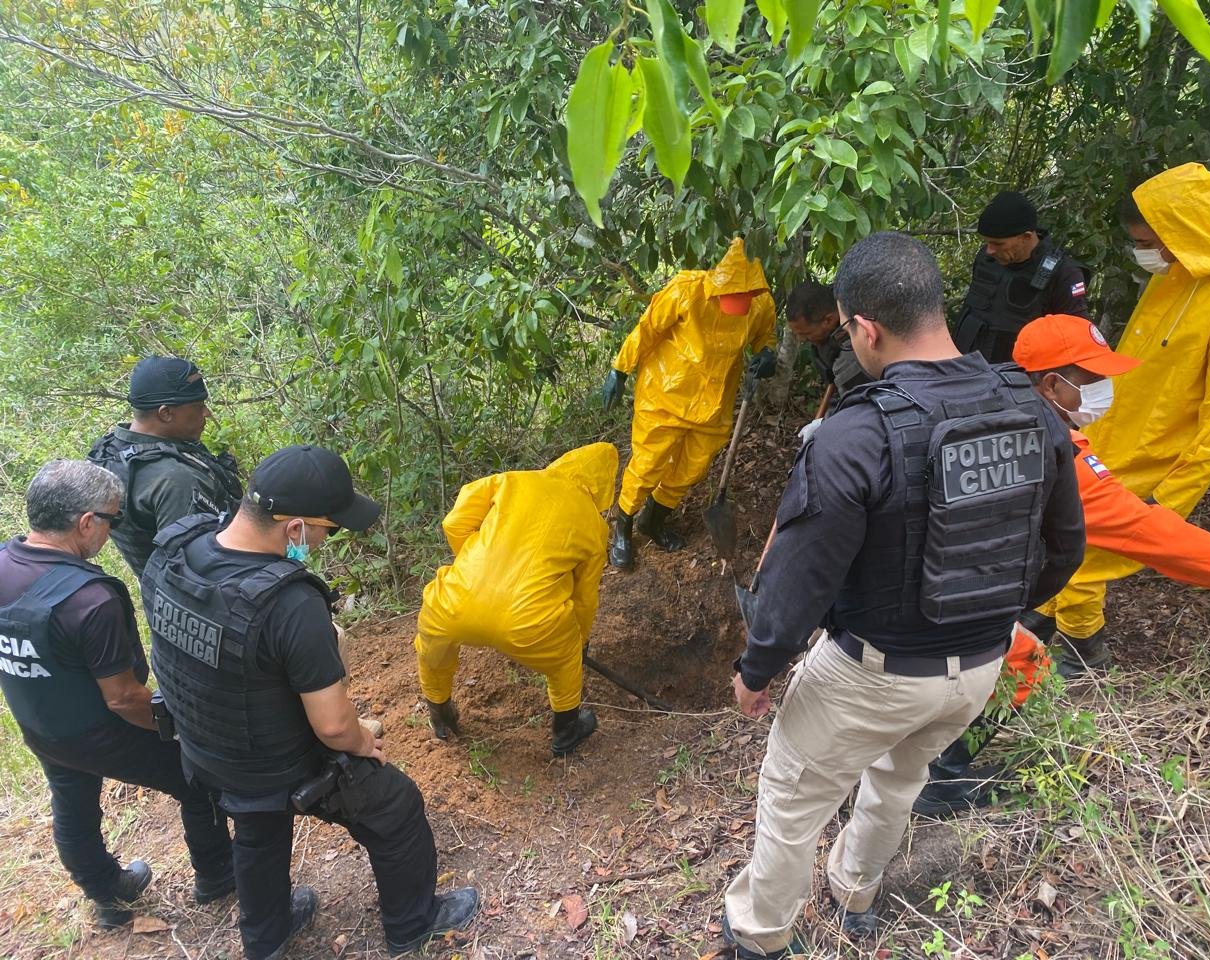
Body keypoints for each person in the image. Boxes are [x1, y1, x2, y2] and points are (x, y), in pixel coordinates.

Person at [722, 232, 1086, 958]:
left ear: (864, 328)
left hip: (873, 673)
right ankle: (855, 893)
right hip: (977, 669)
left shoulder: (853, 436)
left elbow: (798, 582)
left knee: (792, 805)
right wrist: (991, 614)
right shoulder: (1032, 408)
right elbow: (1064, 549)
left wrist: (756, 670)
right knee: (898, 781)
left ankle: (760, 936)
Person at [915, 314, 1210, 816]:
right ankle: (941, 783)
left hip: (912, 574)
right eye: (1091, 381)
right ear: (1051, 384)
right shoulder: (1052, 448)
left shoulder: (981, 391)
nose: (1103, 391)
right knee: (1025, 662)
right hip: (938, 595)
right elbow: (1157, 537)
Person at [140, 445, 477, 960]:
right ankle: (414, 925)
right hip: (276, 761)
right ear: (293, 527)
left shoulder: (174, 550)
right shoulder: (289, 604)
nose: (326, 539)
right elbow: (335, 728)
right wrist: (365, 741)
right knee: (395, 804)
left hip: (205, 747)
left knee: (256, 826)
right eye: (328, 528)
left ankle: (266, 940)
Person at [1041, 163, 1210, 675]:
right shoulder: (1177, 275)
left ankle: (1082, 654)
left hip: (1157, 462)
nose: (1146, 252)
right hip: (1107, 436)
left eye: (1150, 241)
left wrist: (1170, 500)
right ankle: (1041, 627)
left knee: (1083, 554)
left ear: (1186, 233)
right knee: (1056, 535)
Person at [0, 460, 234, 928]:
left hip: (40, 723)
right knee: (197, 779)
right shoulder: (91, 599)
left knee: (71, 801)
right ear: (86, 523)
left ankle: (108, 894)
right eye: (112, 519)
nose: (112, 531)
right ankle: (219, 876)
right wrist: (184, 728)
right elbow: (125, 699)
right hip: (99, 729)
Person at [414, 442, 617, 756]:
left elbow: (453, 522)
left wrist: (474, 566)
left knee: (432, 649)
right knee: (565, 661)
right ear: (603, 487)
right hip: (530, 624)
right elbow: (585, 596)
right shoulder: (594, 526)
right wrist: (581, 640)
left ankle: (441, 717)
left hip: (453, 602)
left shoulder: (513, 480)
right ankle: (565, 732)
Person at [602, 238, 777, 570]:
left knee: (690, 469)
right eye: (732, 294)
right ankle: (622, 526)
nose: (739, 301)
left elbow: (764, 336)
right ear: (718, 284)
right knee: (648, 464)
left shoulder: (760, 304)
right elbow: (647, 329)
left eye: (745, 295)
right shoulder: (687, 290)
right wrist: (619, 369)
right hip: (665, 395)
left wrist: (767, 354)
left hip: (714, 404)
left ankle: (653, 520)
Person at [88, 355, 242, 578]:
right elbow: (196, 574)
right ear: (166, 413)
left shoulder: (111, 450)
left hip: (159, 599)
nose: (206, 412)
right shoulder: (177, 480)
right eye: (198, 406)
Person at [953, 191, 1089, 362]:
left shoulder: (1065, 274)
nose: (989, 250)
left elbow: (1076, 340)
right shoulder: (986, 259)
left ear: (1026, 237)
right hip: (964, 368)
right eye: (987, 242)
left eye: (998, 243)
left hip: (1017, 381)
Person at [785, 281, 869, 443]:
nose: (802, 340)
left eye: (806, 333)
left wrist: (824, 423)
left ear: (828, 320)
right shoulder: (836, 295)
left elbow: (854, 406)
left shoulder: (853, 352)